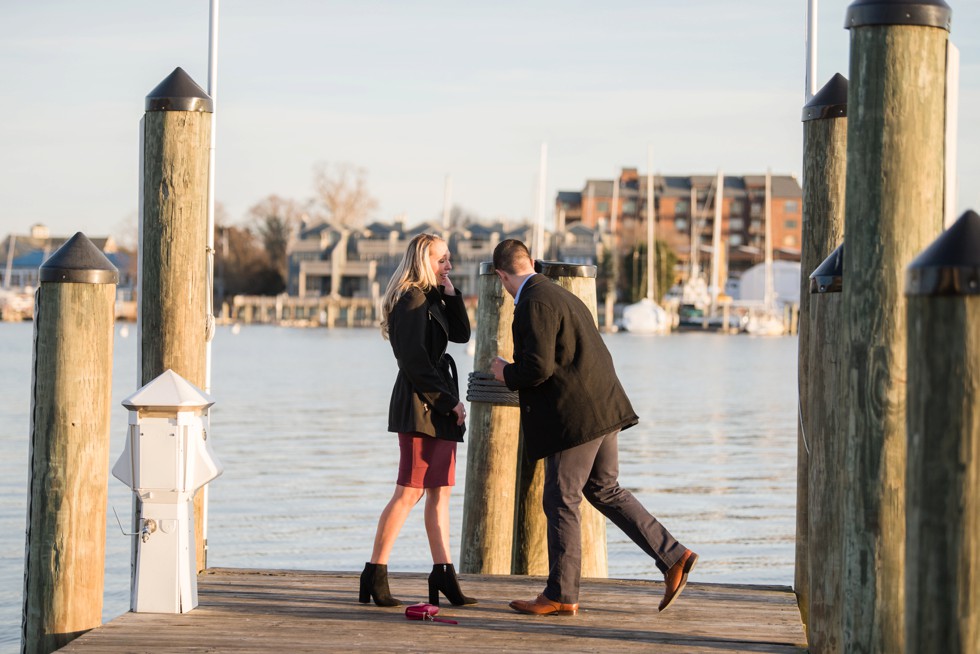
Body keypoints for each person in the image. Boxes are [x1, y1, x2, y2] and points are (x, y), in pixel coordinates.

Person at [490, 239, 697, 616]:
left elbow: (537, 368)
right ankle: (674, 556)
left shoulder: (532, 302)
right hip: (605, 405)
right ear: (532, 262)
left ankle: (561, 594)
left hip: (578, 416)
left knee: (560, 497)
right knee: (604, 489)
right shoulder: (559, 293)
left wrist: (506, 373)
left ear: (501, 275)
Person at [359, 233, 477, 608]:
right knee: (410, 490)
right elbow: (411, 362)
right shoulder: (410, 298)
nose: (449, 265)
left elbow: (461, 334)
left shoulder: (431, 295)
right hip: (421, 404)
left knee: (440, 490)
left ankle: (443, 574)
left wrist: (450, 290)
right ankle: (374, 573)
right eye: (442, 260)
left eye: (449, 260)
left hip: (439, 400)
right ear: (423, 259)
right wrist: (448, 403)